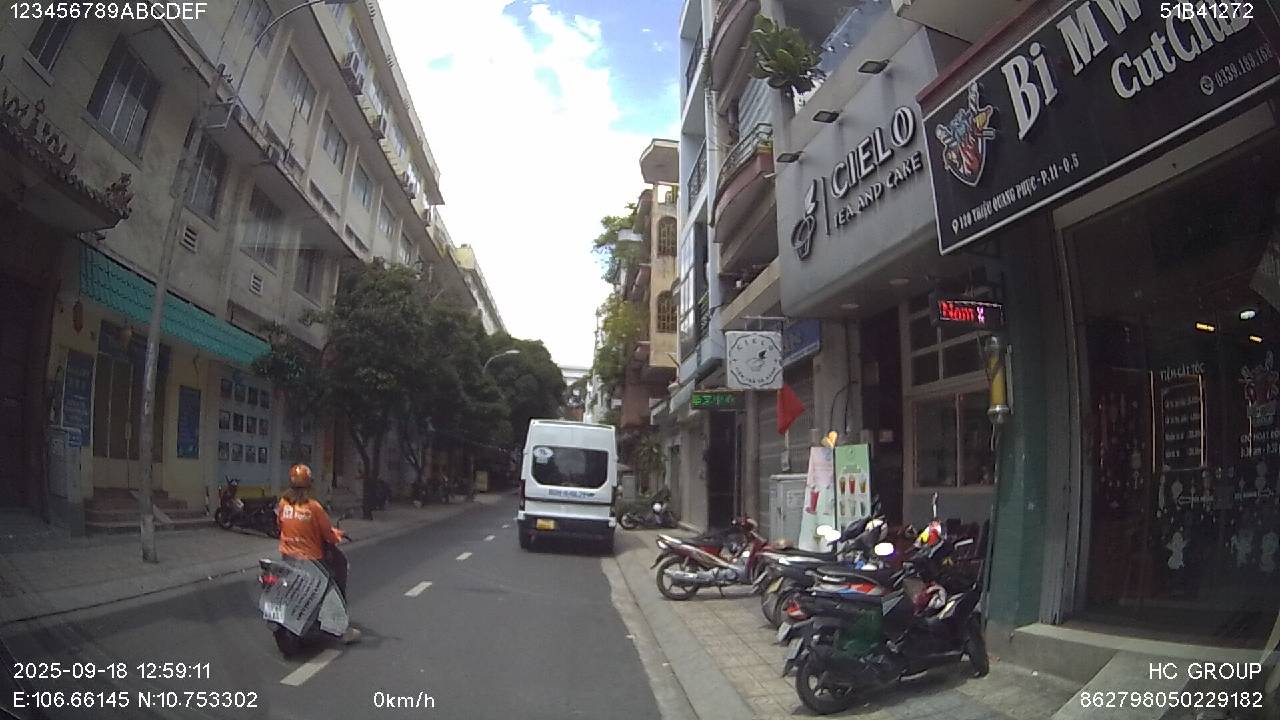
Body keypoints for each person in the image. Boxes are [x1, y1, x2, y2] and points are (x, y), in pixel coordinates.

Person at [278, 464, 361, 644]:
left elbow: (280, 525)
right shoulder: (313, 507)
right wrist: (337, 535)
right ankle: (341, 626)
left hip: (287, 558)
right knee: (337, 571)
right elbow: (327, 535)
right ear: (310, 484)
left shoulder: (283, 503)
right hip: (311, 560)